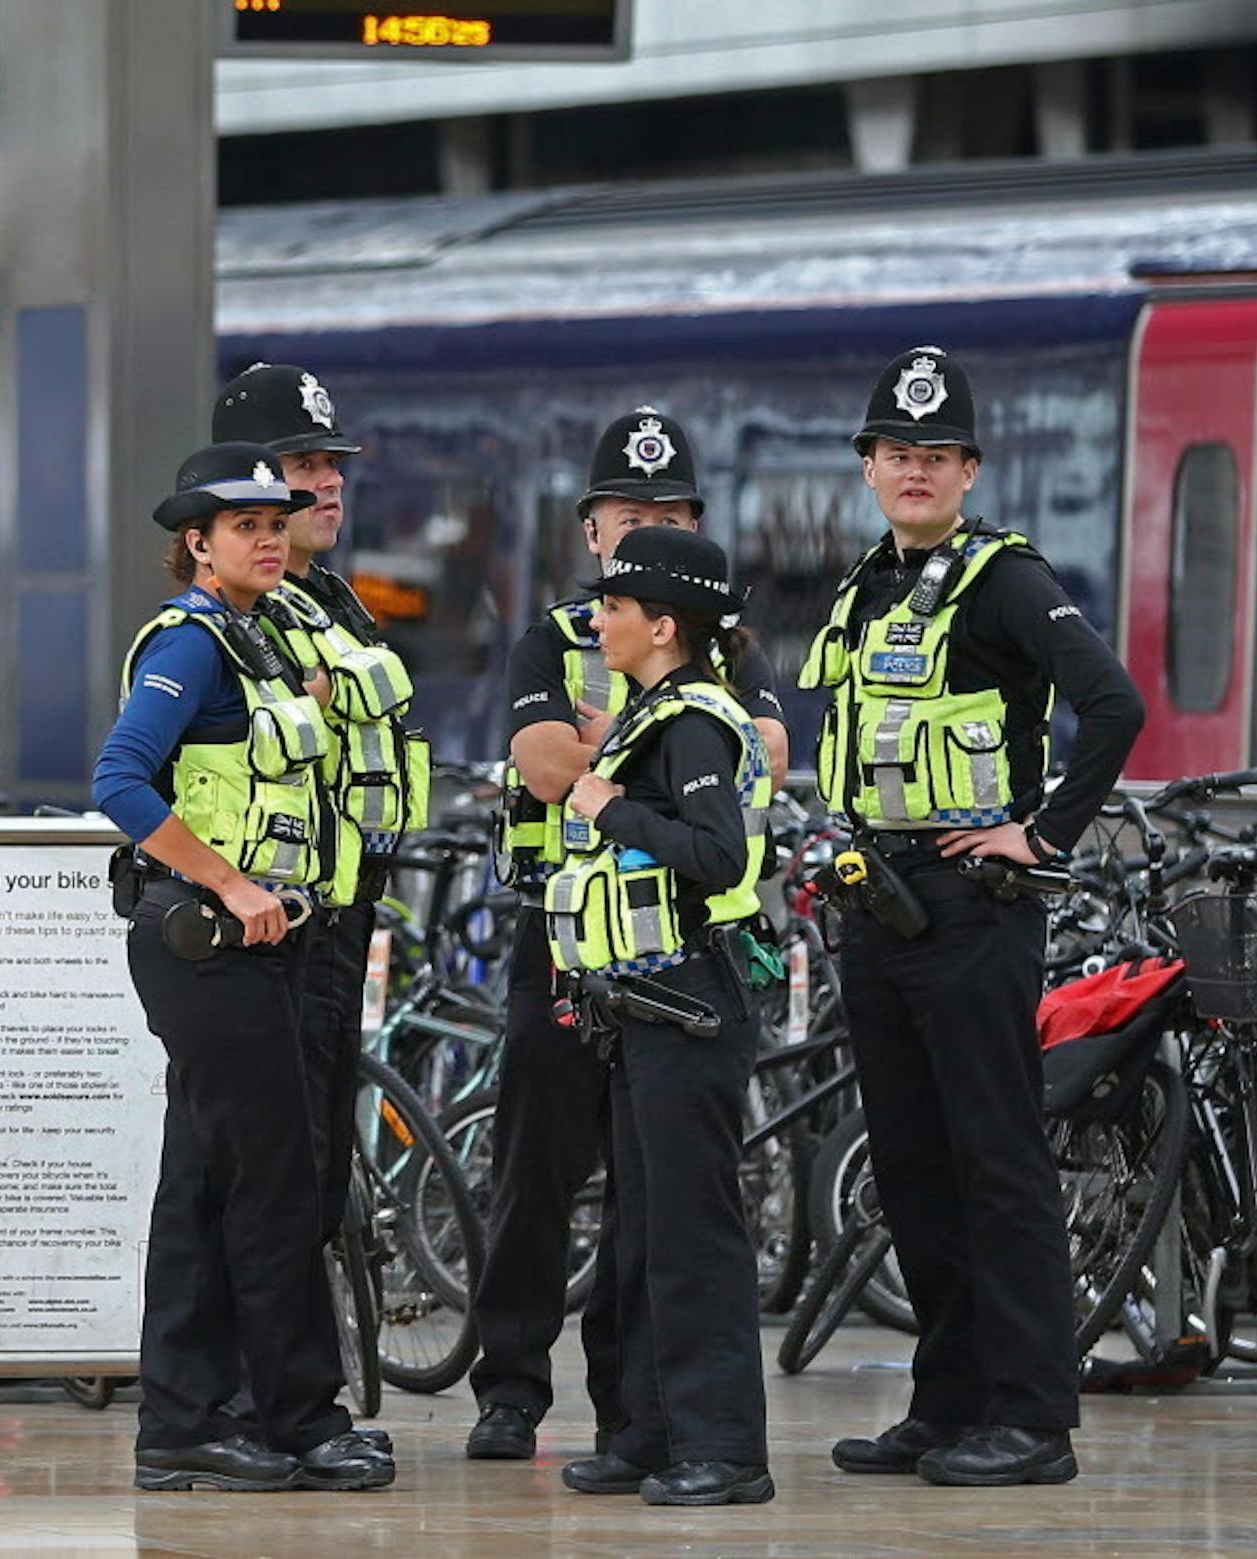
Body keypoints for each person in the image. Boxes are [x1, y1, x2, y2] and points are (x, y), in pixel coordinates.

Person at [799, 346, 1145, 1486]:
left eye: (935, 455)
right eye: (897, 453)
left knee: (996, 1160)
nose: (915, 471)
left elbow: (1113, 703)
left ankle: (1033, 1415)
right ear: (868, 468)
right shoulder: (872, 582)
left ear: (970, 469)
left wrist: (1041, 835)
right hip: (880, 906)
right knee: (909, 1164)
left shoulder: (1002, 579)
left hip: (971, 908)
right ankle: (945, 1402)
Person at [464, 407, 787, 1462]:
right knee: (536, 1166)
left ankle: (632, 1411)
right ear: (590, 527)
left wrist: (616, 757)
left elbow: (770, 749)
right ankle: (510, 1385)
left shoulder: (708, 648)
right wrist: (616, 758)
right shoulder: (559, 636)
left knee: (655, 1191)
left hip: (667, 951)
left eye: (669, 512)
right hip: (561, 935)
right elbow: (545, 762)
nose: (645, 523)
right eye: (629, 512)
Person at [91, 442, 393, 1493]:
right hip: (207, 945)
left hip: (246, 950)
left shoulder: (257, 638)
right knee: (274, 1182)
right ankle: (303, 1419)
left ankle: (184, 1418)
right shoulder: (193, 644)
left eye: (278, 521)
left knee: (211, 1183)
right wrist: (231, 881)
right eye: (244, 525)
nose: (268, 537)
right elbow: (121, 779)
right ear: (197, 544)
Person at [544, 524, 775, 1505]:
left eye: (615, 606)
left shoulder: (690, 724)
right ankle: (646, 1431)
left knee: (694, 1229)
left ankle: (724, 1448)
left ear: (663, 623)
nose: (598, 619)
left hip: (690, 994)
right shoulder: (651, 711)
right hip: (643, 999)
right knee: (639, 1227)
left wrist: (606, 806)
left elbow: (717, 853)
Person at [212, 363, 428, 1257]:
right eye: (305, 464)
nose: (331, 479)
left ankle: (300, 1384)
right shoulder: (245, 610)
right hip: (283, 920)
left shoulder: (334, 597)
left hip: (342, 911)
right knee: (281, 1164)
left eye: (332, 461)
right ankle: (267, 1391)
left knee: (320, 1160)